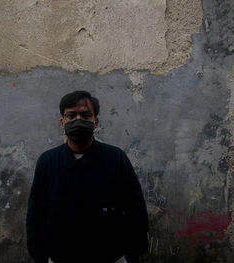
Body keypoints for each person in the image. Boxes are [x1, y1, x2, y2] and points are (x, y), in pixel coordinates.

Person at [26, 90, 148, 263]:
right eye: (71, 115)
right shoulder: (48, 162)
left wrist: (131, 254)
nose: (78, 120)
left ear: (95, 121)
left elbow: (136, 210)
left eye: (85, 115)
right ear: (62, 122)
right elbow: (35, 213)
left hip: (111, 257)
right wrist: (40, 256)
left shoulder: (116, 159)